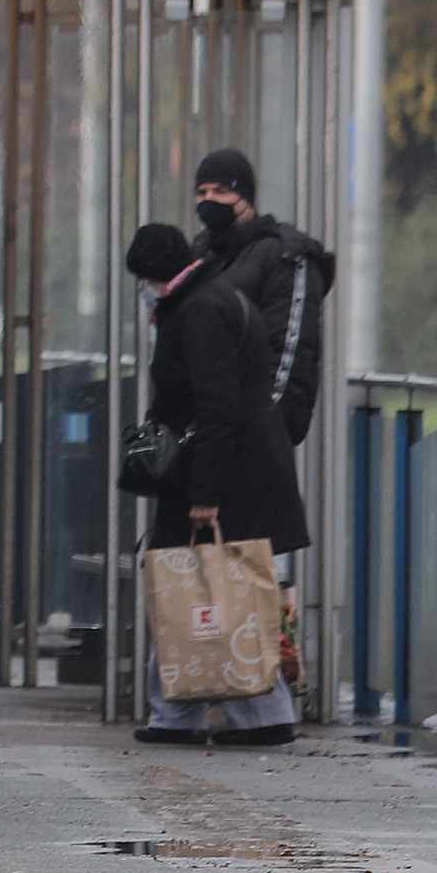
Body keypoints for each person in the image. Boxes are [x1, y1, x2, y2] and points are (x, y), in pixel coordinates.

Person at [125, 211, 306, 748]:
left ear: (159, 274)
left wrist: (204, 495)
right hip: (236, 468)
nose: (145, 291)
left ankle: (200, 714)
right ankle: (230, 713)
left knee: (193, 588)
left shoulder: (199, 311)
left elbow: (217, 407)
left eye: (146, 280)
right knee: (213, 591)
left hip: (223, 475)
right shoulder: (210, 297)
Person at [191, 147, 335, 449]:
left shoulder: (286, 254)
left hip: (253, 438)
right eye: (201, 192)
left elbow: (289, 350)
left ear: (246, 197)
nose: (209, 200)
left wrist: (263, 430)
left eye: (221, 191)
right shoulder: (202, 253)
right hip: (207, 431)